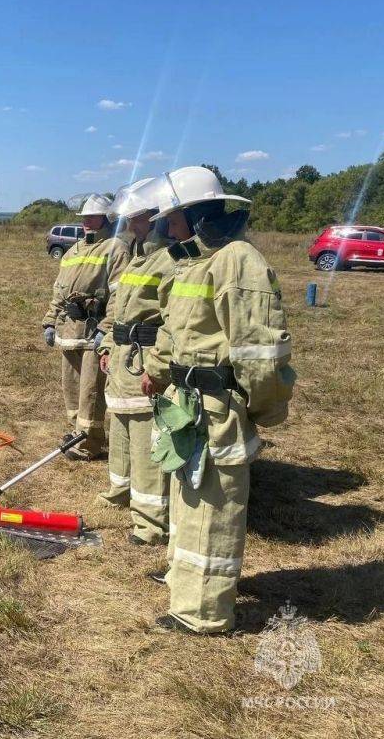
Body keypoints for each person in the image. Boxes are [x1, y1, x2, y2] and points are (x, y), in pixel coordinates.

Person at [142, 166, 294, 635]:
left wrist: (262, 409)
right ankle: (184, 579)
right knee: (188, 495)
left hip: (215, 407)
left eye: (173, 217)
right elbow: (176, 328)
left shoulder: (239, 261)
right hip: (184, 402)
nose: (166, 227)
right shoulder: (193, 261)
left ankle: (203, 612)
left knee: (213, 507)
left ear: (195, 214)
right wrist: (158, 371)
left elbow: (260, 352)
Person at [95, 177, 175, 541]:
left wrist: (158, 363)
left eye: (137, 219)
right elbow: (117, 308)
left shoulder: (170, 260)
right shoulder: (137, 257)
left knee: (146, 443)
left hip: (147, 361)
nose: (128, 225)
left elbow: (176, 320)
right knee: (122, 432)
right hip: (124, 359)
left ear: (156, 218)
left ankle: (151, 521)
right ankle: (120, 491)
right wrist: (106, 345)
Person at [42, 194, 131, 460]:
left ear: (106, 219)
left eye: (92, 217)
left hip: (95, 333)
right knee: (71, 388)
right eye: (84, 218)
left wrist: (106, 328)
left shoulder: (116, 248)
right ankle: (75, 431)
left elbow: (119, 294)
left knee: (91, 390)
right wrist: (49, 320)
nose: (87, 223)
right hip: (69, 332)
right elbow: (59, 291)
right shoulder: (72, 252)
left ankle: (88, 443)